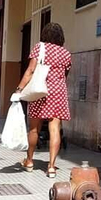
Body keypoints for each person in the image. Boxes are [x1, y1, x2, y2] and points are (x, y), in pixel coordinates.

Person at [15, 22, 72, 178]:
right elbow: (65, 75)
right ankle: (52, 167)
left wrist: (19, 89)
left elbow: (31, 70)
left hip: (40, 91)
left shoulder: (40, 48)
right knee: (55, 129)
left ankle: (29, 161)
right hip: (58, 93)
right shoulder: (66, 53)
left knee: (34, 128)